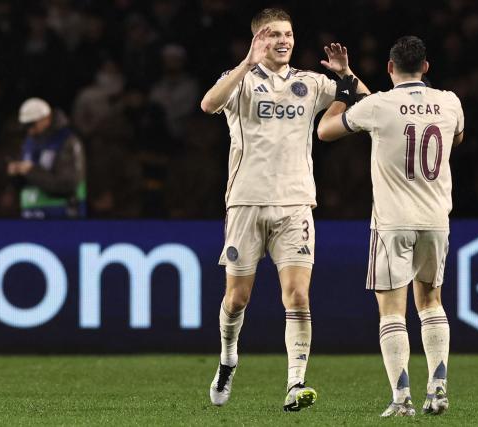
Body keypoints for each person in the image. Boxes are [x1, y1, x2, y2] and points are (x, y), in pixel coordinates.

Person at [200, 8, 369, 411]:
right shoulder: (240, 81)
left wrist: (346, 74)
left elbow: (366, 101)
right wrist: (246, 62)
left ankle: (296, 382)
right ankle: (227, 359)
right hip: (245, 202)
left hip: (295, 203)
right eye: (273, 34)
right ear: (258, 39)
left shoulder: (309, 83)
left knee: (297, 296)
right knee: (237, 299)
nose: (283, 40)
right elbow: (208, 105)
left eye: (288, 34)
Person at [317, 36, 464, 417]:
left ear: (389, 68)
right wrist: (350, 75)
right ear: (426, 67)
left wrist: (343, 88)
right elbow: (457, 138)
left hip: (392, 223)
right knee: (432, 303)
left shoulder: (380, 106)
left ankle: (402, 399)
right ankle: (439, 388)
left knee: (392, 312)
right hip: (435, 220)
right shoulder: (450, 102)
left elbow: (326, 130)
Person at [7, 97, 86, 219]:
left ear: (46, 118)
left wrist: (31, 171)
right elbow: (25, 183)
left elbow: (68, 183)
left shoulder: (67, 141)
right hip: (32, 214)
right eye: (26, 126)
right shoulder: (29, 142)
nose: (29, 130)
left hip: (63, 215)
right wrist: (16, 173)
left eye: (32, 124)